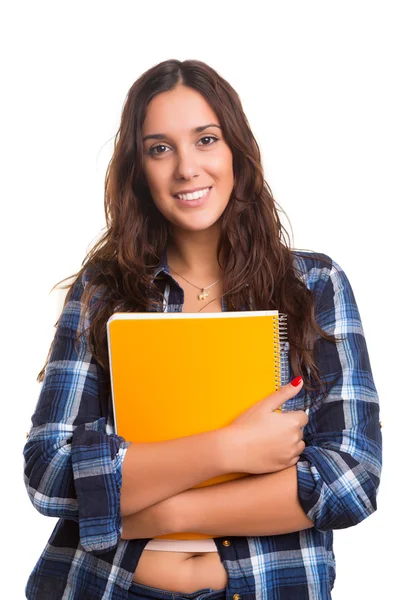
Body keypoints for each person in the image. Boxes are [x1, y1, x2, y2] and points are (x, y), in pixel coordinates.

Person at [23, 59, 382, 600]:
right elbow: (50, 471)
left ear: (235, 150)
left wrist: (141, 509)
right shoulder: (105, 290)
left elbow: (351, 479)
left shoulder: (314, 284)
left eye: (206, 139)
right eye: (160, 148)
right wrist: (228, 450)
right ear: (138, 169)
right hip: (107, 587)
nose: (186, 168)